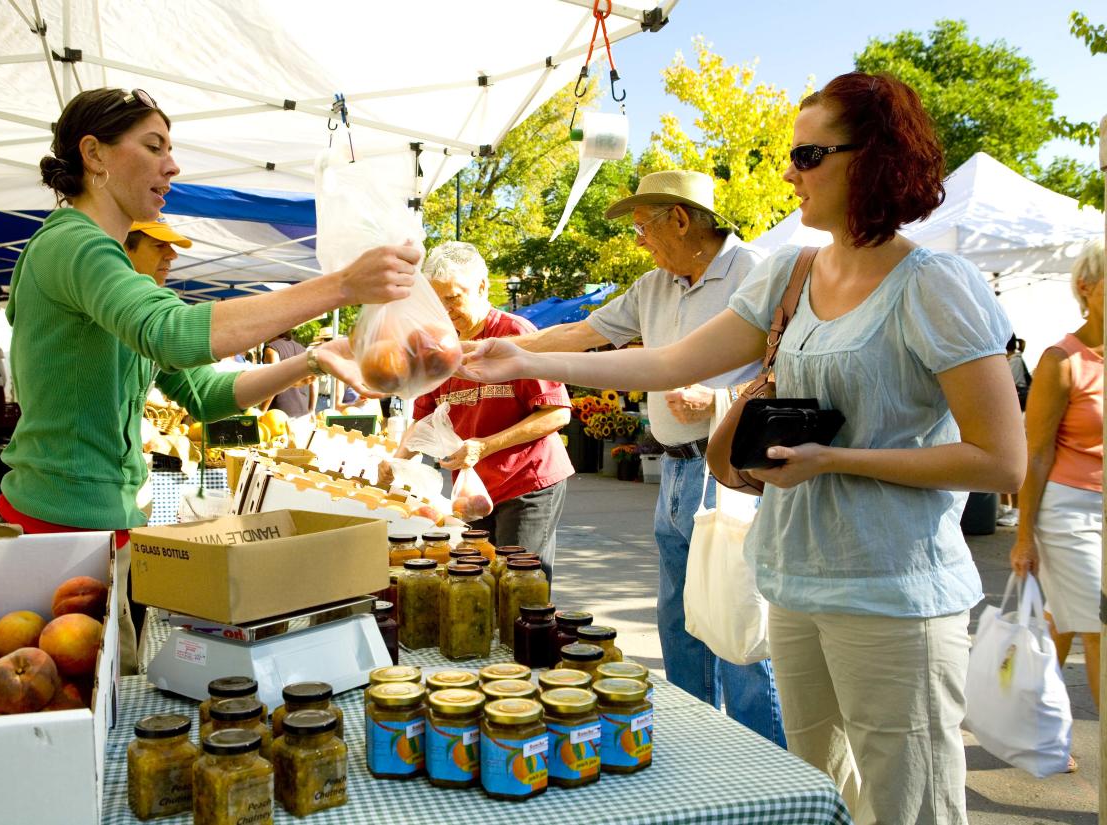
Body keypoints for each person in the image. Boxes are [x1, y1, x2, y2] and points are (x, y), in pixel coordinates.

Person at [461, 72, 1025, 825]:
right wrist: (526, 360)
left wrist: (838, 460)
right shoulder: (793, 272)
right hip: (794, 580)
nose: (789, 170)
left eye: (808, 154)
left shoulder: (936, 286)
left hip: (894, 594)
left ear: (874, 159)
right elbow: (667, 362)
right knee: (812, 794)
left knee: (909, 805)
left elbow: (999, 460)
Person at [0, 87, 417, 673]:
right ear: (93, 155)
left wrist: (312, 360)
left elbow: (204, 396)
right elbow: (172, 335)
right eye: (154, 146)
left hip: (106, 521)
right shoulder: (75, 245)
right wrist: (341, 286)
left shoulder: (104, 262)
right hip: (59, 528)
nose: (172, 165)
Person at [507, 170, 783, 744]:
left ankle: (764, 759)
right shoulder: (654, 284)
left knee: (736, 618)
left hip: (736, 475)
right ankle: (693, 739)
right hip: (677, 470)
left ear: (680, 219)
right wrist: (504, 349)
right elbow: (586, 333)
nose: (638, 241)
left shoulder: (760, 272)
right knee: (679, 619)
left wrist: (719, 398)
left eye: (642, 226)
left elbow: (795, 365)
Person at [389, 241, 573, 578]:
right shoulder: (440, 344)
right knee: (477, 580)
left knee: (518, 582)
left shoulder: (515, 334)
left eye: (454, 298)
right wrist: (398, 463)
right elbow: (424, 419)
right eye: (437, 300)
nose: (445, 310)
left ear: (482, 287)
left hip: (525, 483)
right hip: (473, 492)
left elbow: (557, 413)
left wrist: (484, 446)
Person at [1010, 239, 1103, 747]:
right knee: (1099, 629)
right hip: (1071, 509)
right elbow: (1036, 451)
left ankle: (1038, 723)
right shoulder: (1061, 360)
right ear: (1086, 288)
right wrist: (1024, 537)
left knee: (1065, 623)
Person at [997, 334, 1031, 526]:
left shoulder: (1015, 361)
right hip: (1005, 418)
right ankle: (1005, 506)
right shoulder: (1006, 360)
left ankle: (1017, 509)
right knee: (1002, 463)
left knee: (1014, 464)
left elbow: (1012, 388)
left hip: (1016, 417)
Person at [261, 331, 315, 418]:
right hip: (303, 413)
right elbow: (314, 381)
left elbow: (274, 380)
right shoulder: (303, 349)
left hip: (278, 416)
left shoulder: (271, 349)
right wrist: (312, 409)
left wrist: (262, 411)